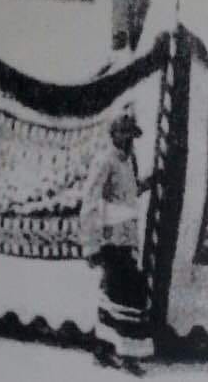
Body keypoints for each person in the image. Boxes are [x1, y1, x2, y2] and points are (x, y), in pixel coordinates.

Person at [80, 111, 153, 376]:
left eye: (131, 134)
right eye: (123, 133)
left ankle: (103, 350)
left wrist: (146, 184)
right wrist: (90, 244)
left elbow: (127, 194)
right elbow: (90, 202)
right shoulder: (105, 161)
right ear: (113, 135)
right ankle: (127, 355)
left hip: (127, 237)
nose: (127, 139)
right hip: (110, 238)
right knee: (125, 294)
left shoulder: (129, 160)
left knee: (115, 294)